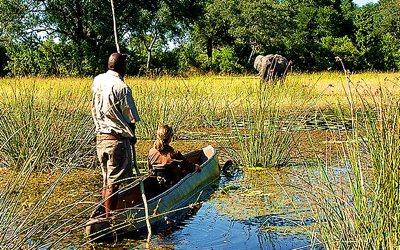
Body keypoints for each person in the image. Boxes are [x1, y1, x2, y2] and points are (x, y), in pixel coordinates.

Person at [91, 52, 140, 218]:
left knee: (106, 180)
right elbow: (131, 118)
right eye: (125, 64)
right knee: (113, 183)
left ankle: (106, 213)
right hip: (116, 141)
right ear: (122, 67)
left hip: (100, 139)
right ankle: (109, 219)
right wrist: (132, 135)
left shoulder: (98, 80)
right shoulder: (122, 87)